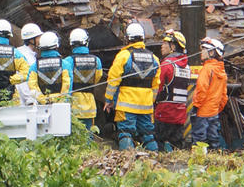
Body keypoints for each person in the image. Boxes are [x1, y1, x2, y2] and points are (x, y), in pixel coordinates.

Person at [104, 21, 161, 151]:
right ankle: (154, 160)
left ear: (128, 38)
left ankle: (127, 160)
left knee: (125, 132)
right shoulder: (155, 59)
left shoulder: (123, 56)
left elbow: (113, 80)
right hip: (146, 105)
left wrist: (109, 100)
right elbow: (156, 85)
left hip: (126, 103)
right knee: (148, 134)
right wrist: (149, 101)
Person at [154, 30, 193, 151]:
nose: (162, 45)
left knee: (158, 143)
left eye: (165, 43)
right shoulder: (187, 67)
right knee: (177, 147)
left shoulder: (166, 65)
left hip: (164, 113)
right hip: (180, 114)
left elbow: (157, 88)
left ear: (173, 46)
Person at [192, 38, 228, 150]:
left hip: (203, 112)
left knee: (199, 138)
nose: (201, 53)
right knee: (213, 138)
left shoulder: (207, 69)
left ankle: (199, 162)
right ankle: (214, 160)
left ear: (212, 52)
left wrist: (196, 106)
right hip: (214, 112)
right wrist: (216, 109)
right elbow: (224, 96)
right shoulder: (221, 71)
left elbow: (201, 90)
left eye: (204, 50)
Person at [64, 28, 102, 132]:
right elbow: (97, 78)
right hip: (90, 103)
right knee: (88, 133)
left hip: (73, 103)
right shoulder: (96, 61)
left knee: (73, 134)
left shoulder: (67, 61)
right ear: (86, 42)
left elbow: (65, 82)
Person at [28, 31, 69, 106]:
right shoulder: (64, 64)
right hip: (61, 106)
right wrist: (60, 102)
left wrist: (44, 101)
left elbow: (33, 87)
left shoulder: (34, 66)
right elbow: (67, 86)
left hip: (43, 107)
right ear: (56, 45)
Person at [14, 23, 42, 106]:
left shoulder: (28, 54)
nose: (40, 40)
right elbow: (22, 80)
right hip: (24, 102)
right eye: (38, 37)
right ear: (31, 40)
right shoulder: (25, 56)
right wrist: (29, 99)